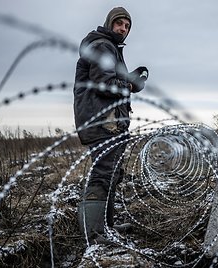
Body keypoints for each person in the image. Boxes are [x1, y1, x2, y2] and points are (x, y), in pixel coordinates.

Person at [73, 7, 148, 241]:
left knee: (112, 172)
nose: (123, 29)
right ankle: (94, 234)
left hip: (107, 121)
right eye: (119, 24)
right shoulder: (103, 46)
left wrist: (129, 77)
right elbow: (104, 84)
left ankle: (105, 227)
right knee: (104, 172)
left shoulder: (109, 47)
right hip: (102, 121)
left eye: (127, 26)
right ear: (109, 23)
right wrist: (131, 86)